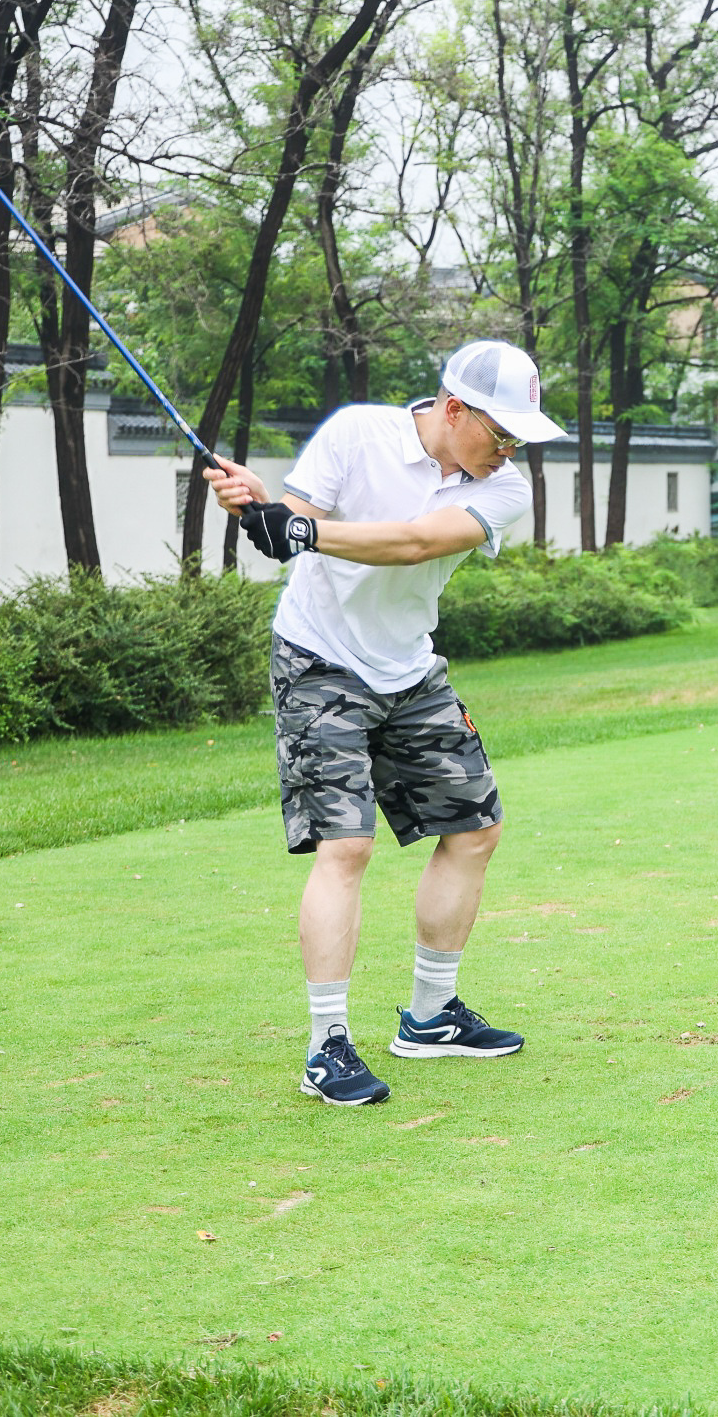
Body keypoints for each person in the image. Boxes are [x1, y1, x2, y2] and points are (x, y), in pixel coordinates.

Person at [205, 339, 568, 1106]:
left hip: (409, 668)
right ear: (454, 409)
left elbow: (415, 543)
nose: (508, 452)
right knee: (346, 844)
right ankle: (326, 1047)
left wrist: (300, 532)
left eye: (519, 439)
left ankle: (431, 1018)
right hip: (318, 659)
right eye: (501, 434)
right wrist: (265, 512)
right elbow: (296, 525)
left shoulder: (504, 488)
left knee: (474, 829)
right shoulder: (354, 431)